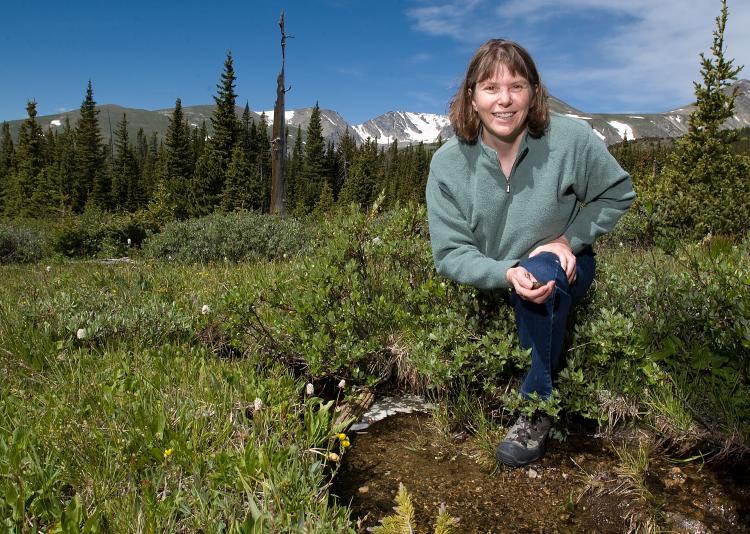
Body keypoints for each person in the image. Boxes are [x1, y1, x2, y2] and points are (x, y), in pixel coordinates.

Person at [425, 39, 635, 468]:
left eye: (517, 86)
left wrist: (567, 239)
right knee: (526, 275)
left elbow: (617, 193)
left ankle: (535, 409)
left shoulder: (571, 140)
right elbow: (449, 253)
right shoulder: (447, 163)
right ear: (471, 97)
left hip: (563, 265)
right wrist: (505, 273)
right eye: (490, 88)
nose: (504, 100)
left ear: (534, 93)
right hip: (499, 272)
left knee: (541, 272)